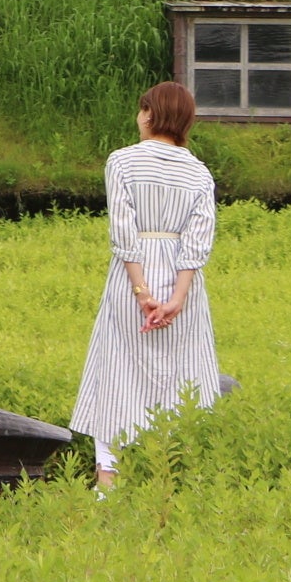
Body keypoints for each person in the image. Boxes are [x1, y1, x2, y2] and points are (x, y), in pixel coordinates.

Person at [70, 81, 221, 491]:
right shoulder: (199, 171)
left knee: (116, 369)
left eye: (142, 110)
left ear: (150, 115)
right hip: (181, 280)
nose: (138, 117)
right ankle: (167, 477)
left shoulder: (122, 162)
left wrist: (142, 292)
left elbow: (124, 231)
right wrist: (176, 297)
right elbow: (199, 239)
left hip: (133, 273)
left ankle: (108, 479)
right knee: (178, 374)